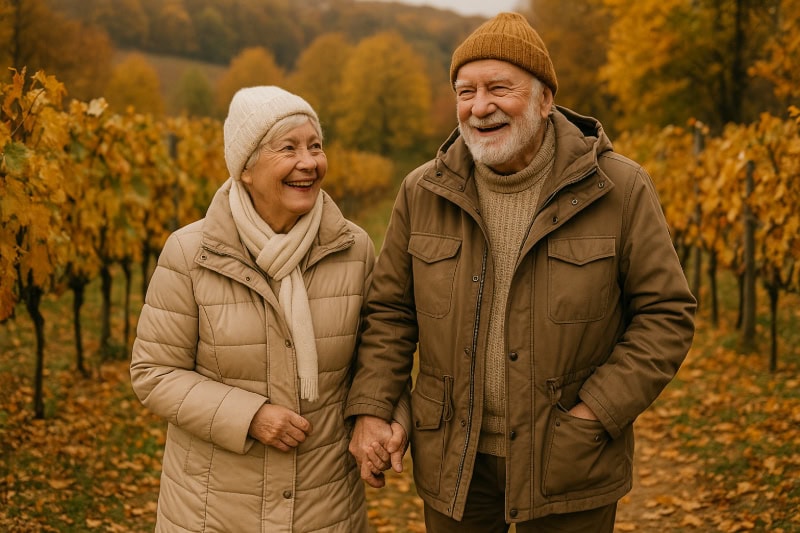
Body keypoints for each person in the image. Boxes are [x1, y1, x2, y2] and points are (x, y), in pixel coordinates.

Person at [345, 12, 697, 532]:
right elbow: (391, 313)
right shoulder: (423, 192)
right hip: (454, 459)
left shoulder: (619, 189)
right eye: (466, 91)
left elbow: (666, 315)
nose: (480, 107)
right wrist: (373, 407)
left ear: (545, 99)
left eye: (499, 88)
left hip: (569, 462)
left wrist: (596, 412)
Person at [130, 86, 408, 532]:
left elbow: (380, 352)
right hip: (211, 511)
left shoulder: (353, 248)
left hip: (325, 505)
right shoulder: (190, 252)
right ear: (245, 169)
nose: (309, 162)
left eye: (315, 146)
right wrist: (250, 416)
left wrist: (388, 419)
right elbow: (154, 371)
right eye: (289, 148)